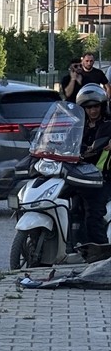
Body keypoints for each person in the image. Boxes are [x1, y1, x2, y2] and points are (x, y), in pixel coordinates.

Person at [74, 84, 111, 245]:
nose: (93, 110)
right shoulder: (78, 125)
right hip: (79, 174)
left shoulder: (108, 124)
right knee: (71, 208)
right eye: (88, 107)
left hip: (103, 176)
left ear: (102, 106)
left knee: (93, 215)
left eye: (96, 106)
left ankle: (102, 255)